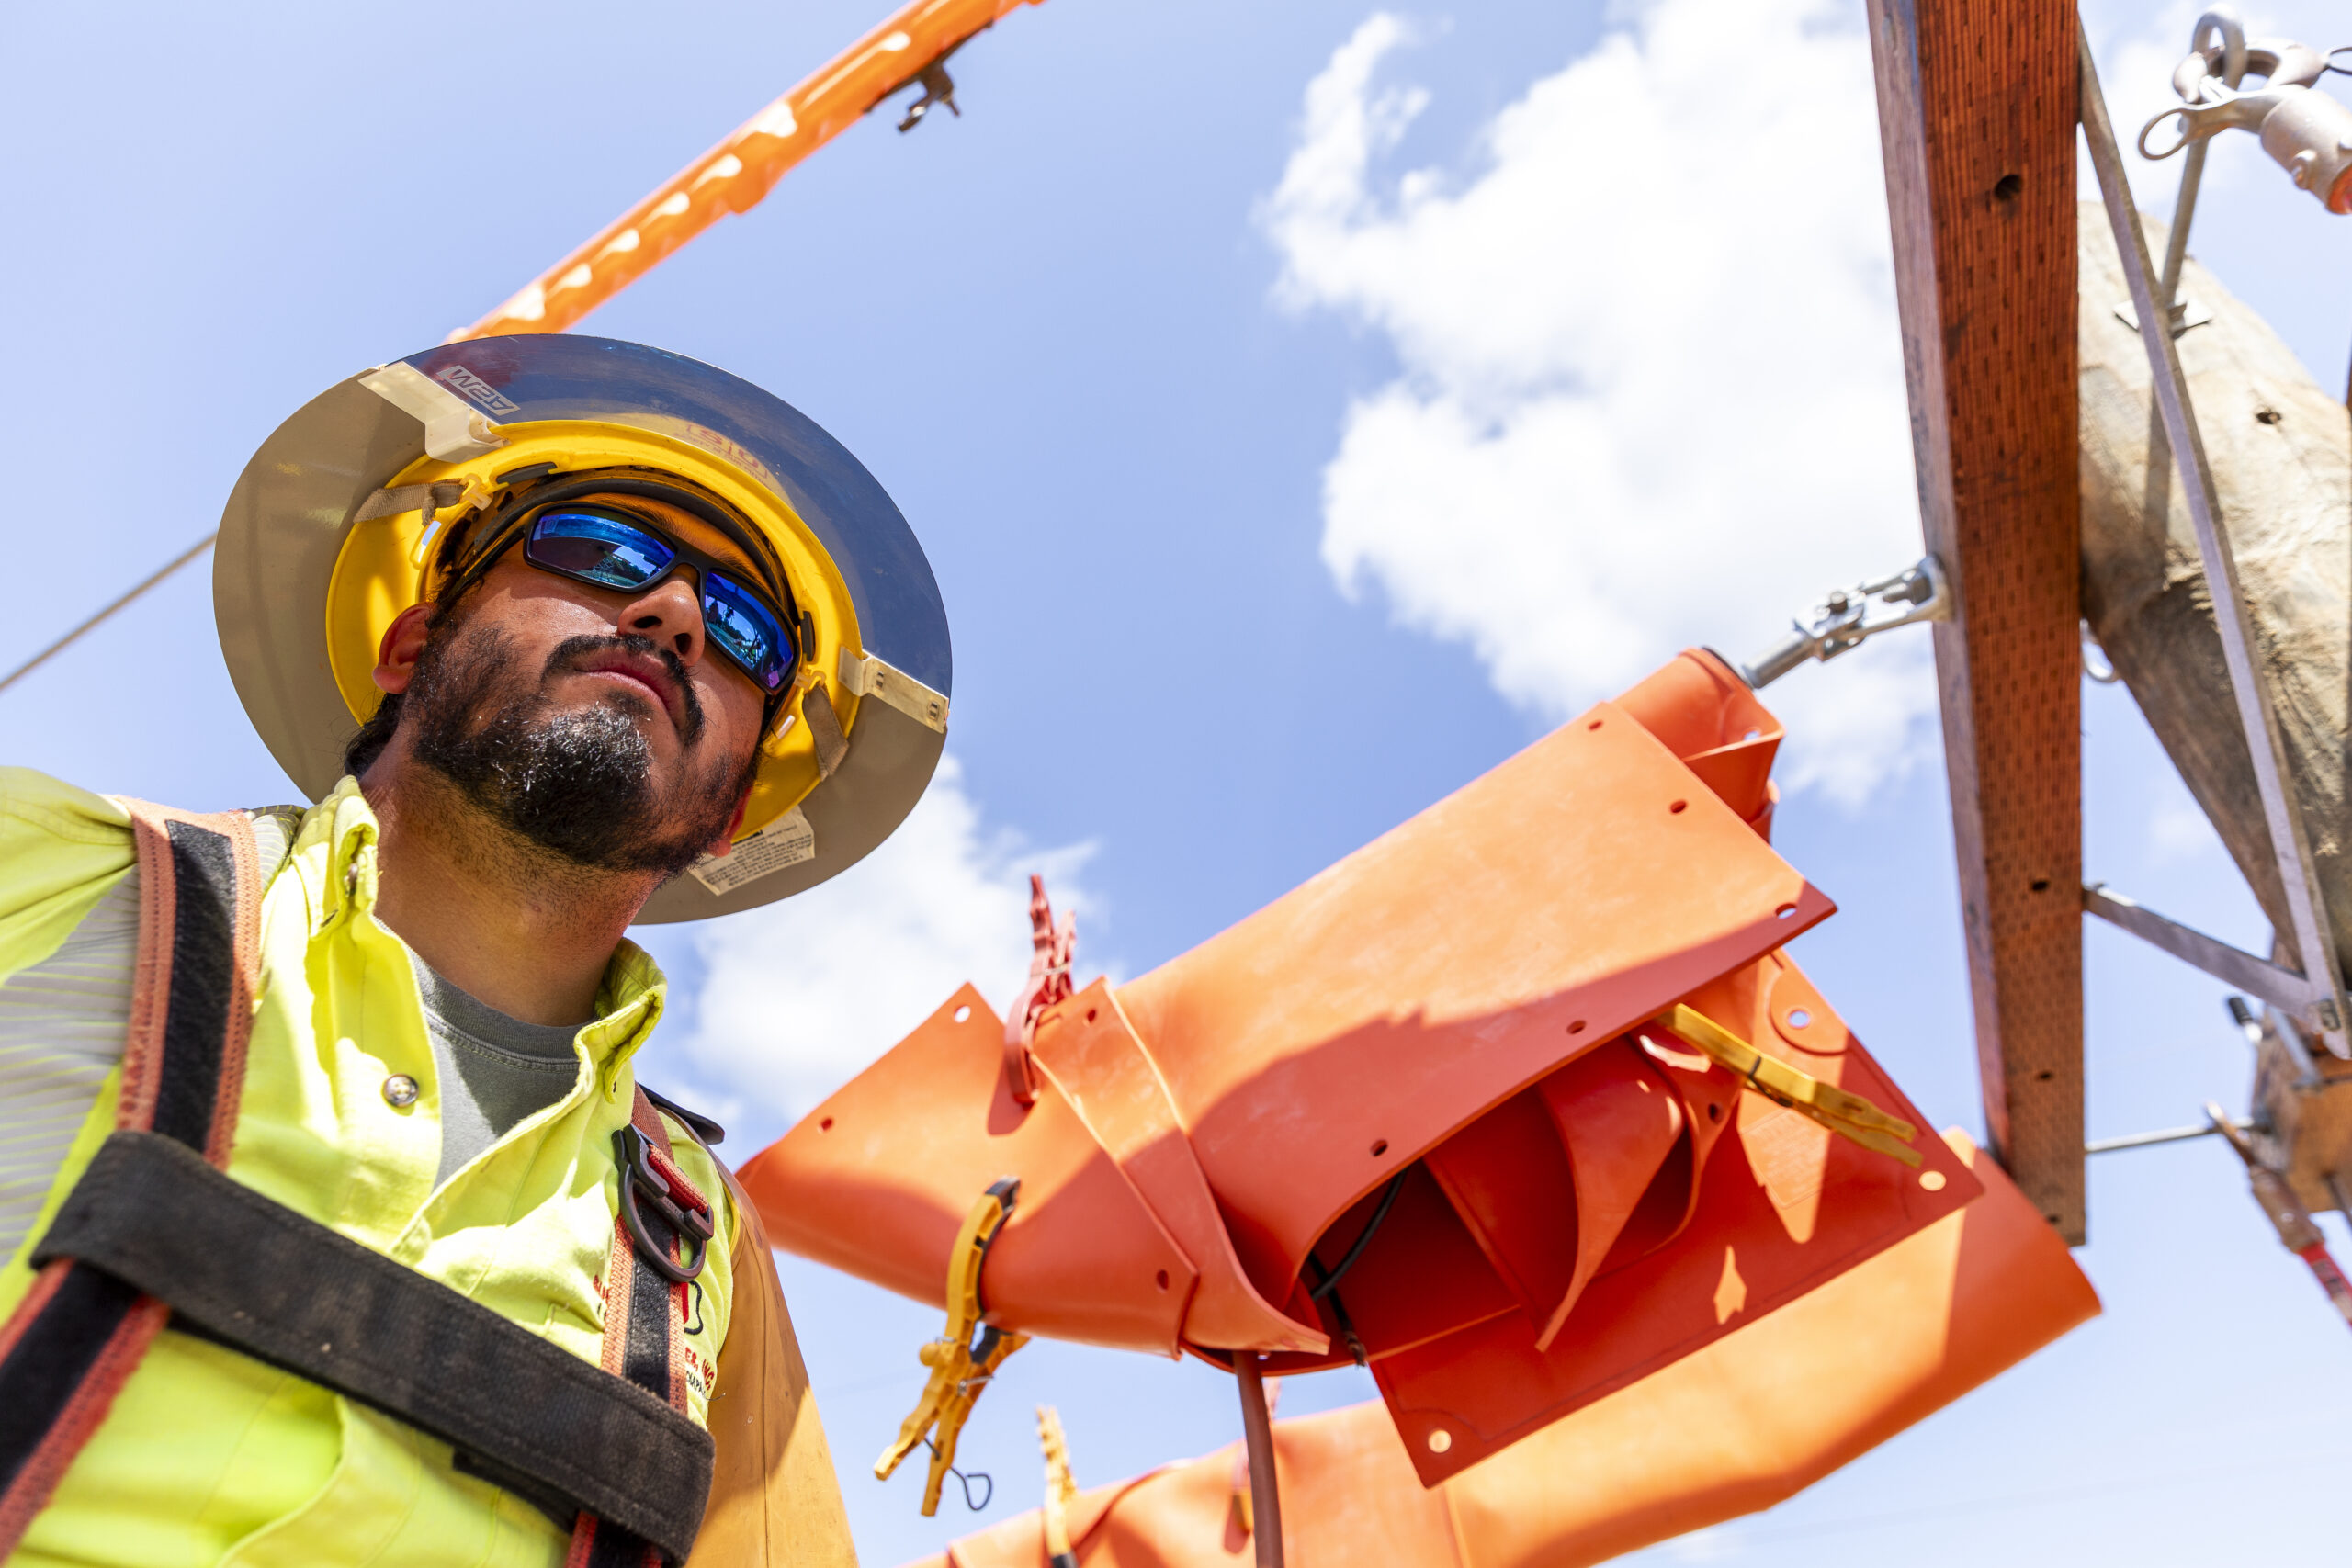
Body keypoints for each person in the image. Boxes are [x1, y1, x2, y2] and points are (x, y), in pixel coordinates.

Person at [0, 335, 956, 1568]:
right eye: (600, 553)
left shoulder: (707, 1253)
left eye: (744, 634)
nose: (670, 616)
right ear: (410, 648)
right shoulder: (54, 872)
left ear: (729, 814)